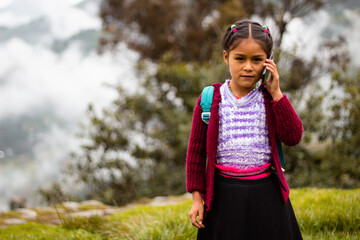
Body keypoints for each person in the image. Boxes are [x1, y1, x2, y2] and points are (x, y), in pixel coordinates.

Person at [186, 19, 304, 240]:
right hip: (222, 196)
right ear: (226, 57)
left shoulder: (270, 100)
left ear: (268, 62)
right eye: (240, 58)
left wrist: (277, 94)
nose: (248, 67)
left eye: (257, 60)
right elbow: (195, 153)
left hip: (267, 195)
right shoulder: (210, 99)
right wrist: (196, 199)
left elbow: (293, 137)